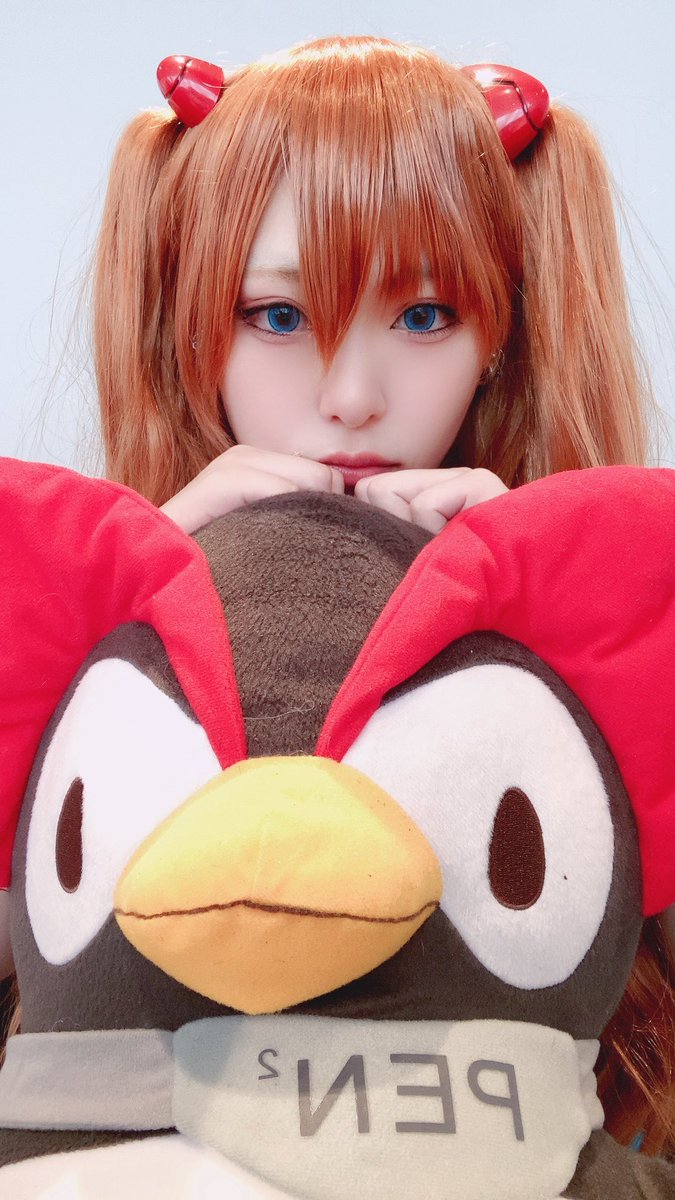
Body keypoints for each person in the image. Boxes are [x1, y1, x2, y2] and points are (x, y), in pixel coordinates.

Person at [6, 34, 675, 1157]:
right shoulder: (85, 658)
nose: (352, 396)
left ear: (502, 335)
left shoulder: (609, 649)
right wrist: (124, 607)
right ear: (186, 325)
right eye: (277, 316)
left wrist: (551, 618)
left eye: (425, 317)